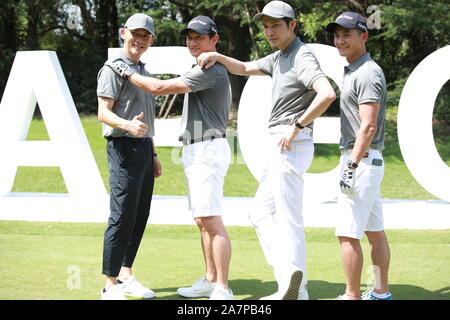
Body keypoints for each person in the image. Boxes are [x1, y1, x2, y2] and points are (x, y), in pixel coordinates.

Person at [197, 1, 336, 300]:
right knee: (259, 212)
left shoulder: (301, 56)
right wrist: (217, 55)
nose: (270, 31)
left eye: (276, 25)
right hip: (282, 144)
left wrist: (297, 125)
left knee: (289, 217)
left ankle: (297, 289)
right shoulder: (280, 57)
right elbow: (245, 68)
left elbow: (327, 93)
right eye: (266, 26)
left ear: (292, 25)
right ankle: (289, 279)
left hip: (291, 141)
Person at [106, 15, 234, 300]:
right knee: (202, 220)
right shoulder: (200, 65)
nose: (193, 42)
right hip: (197, 148)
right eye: (189, 37)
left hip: (207, 148)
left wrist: (124, 71)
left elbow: (159, 88)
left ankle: (223, 288)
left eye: (199, 37)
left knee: (211, 220)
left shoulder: (210, 69)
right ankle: (210, 278)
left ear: (214, 40)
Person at [325, 12, 392, 300]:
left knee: (347, 234)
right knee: (374, 231)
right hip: (366, 160)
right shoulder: (353, 69)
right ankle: (380, 292)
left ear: (363, 36)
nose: (340, 40)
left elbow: (369, 125)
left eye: (347, 34)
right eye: (337, 35)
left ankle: (352, 296)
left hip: (361, 161)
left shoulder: (366, 72)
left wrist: (351, 164)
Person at [97, 13, 162, 300]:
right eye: (135, 33)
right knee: (121, 215)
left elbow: (146, 117)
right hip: (123, 147)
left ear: (152, 40)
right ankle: (109, 285)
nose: (140, 39)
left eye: (146, 35)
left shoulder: (142, 69)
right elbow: (102, 112)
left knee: (139, 214)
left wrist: (155, 152)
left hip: (144, 149)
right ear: (124, 33)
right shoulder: (113, 69)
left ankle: (126, 273)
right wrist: (127, 125)